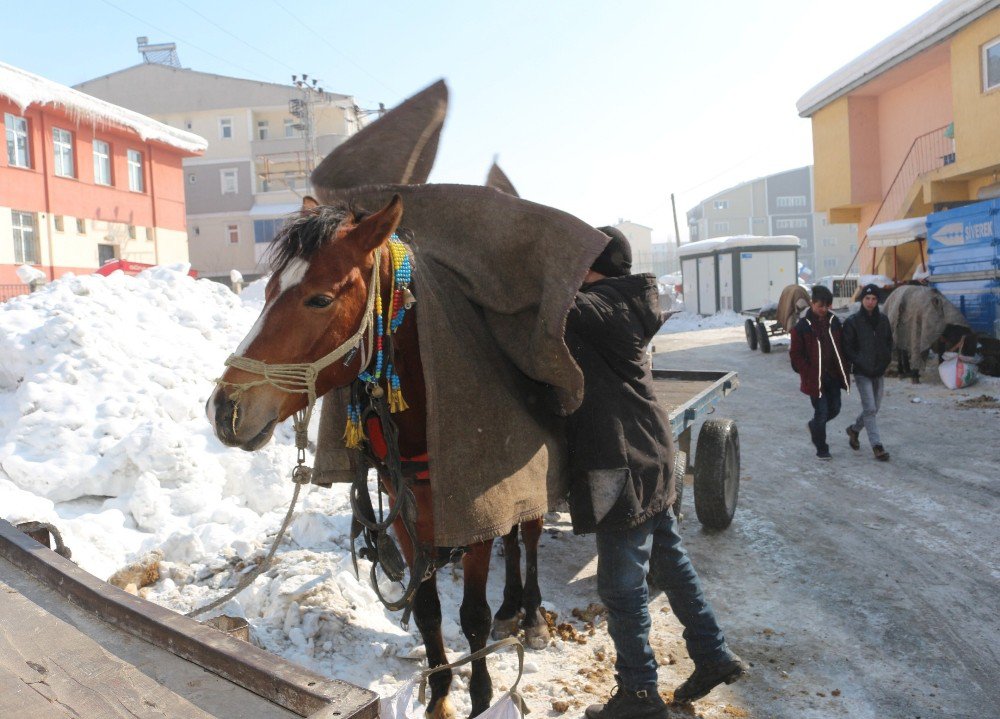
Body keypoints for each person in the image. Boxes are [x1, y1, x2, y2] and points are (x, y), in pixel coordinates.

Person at [565, 227, 745, 719]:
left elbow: (541, 304)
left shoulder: (600, 307)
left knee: (621, 587)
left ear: (592, 265)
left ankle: (639, 694)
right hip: (651, 450)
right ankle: (712, 655)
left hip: (618, 459)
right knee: (671, 564)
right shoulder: (628, 298)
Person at [790, 285, 850, 460]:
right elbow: (795, 354)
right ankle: (822, 448)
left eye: (827, 306)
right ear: (812, 304)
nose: (824, 309)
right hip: (814, 378)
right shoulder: (802, 327)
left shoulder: (834, 322)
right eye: (820, 305)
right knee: (822, 412)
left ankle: (814, 425)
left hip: (832, 375)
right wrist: (807, 371)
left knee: (836, 408)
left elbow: (842, 347)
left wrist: (845, 367)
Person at [842, 284, 893, 461]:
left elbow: (888, 344)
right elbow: (848, 348)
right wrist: (860, 363)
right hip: (862, 372)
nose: (870, 302)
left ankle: (854, 430)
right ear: (862, 300)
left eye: (874, 299)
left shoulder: (883, 321)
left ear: (878, 301)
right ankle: (877, 446)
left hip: (879, 370)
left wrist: (884, 362)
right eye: (867, 299)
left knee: (875, 408)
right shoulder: (852, 322)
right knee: (870, 408)